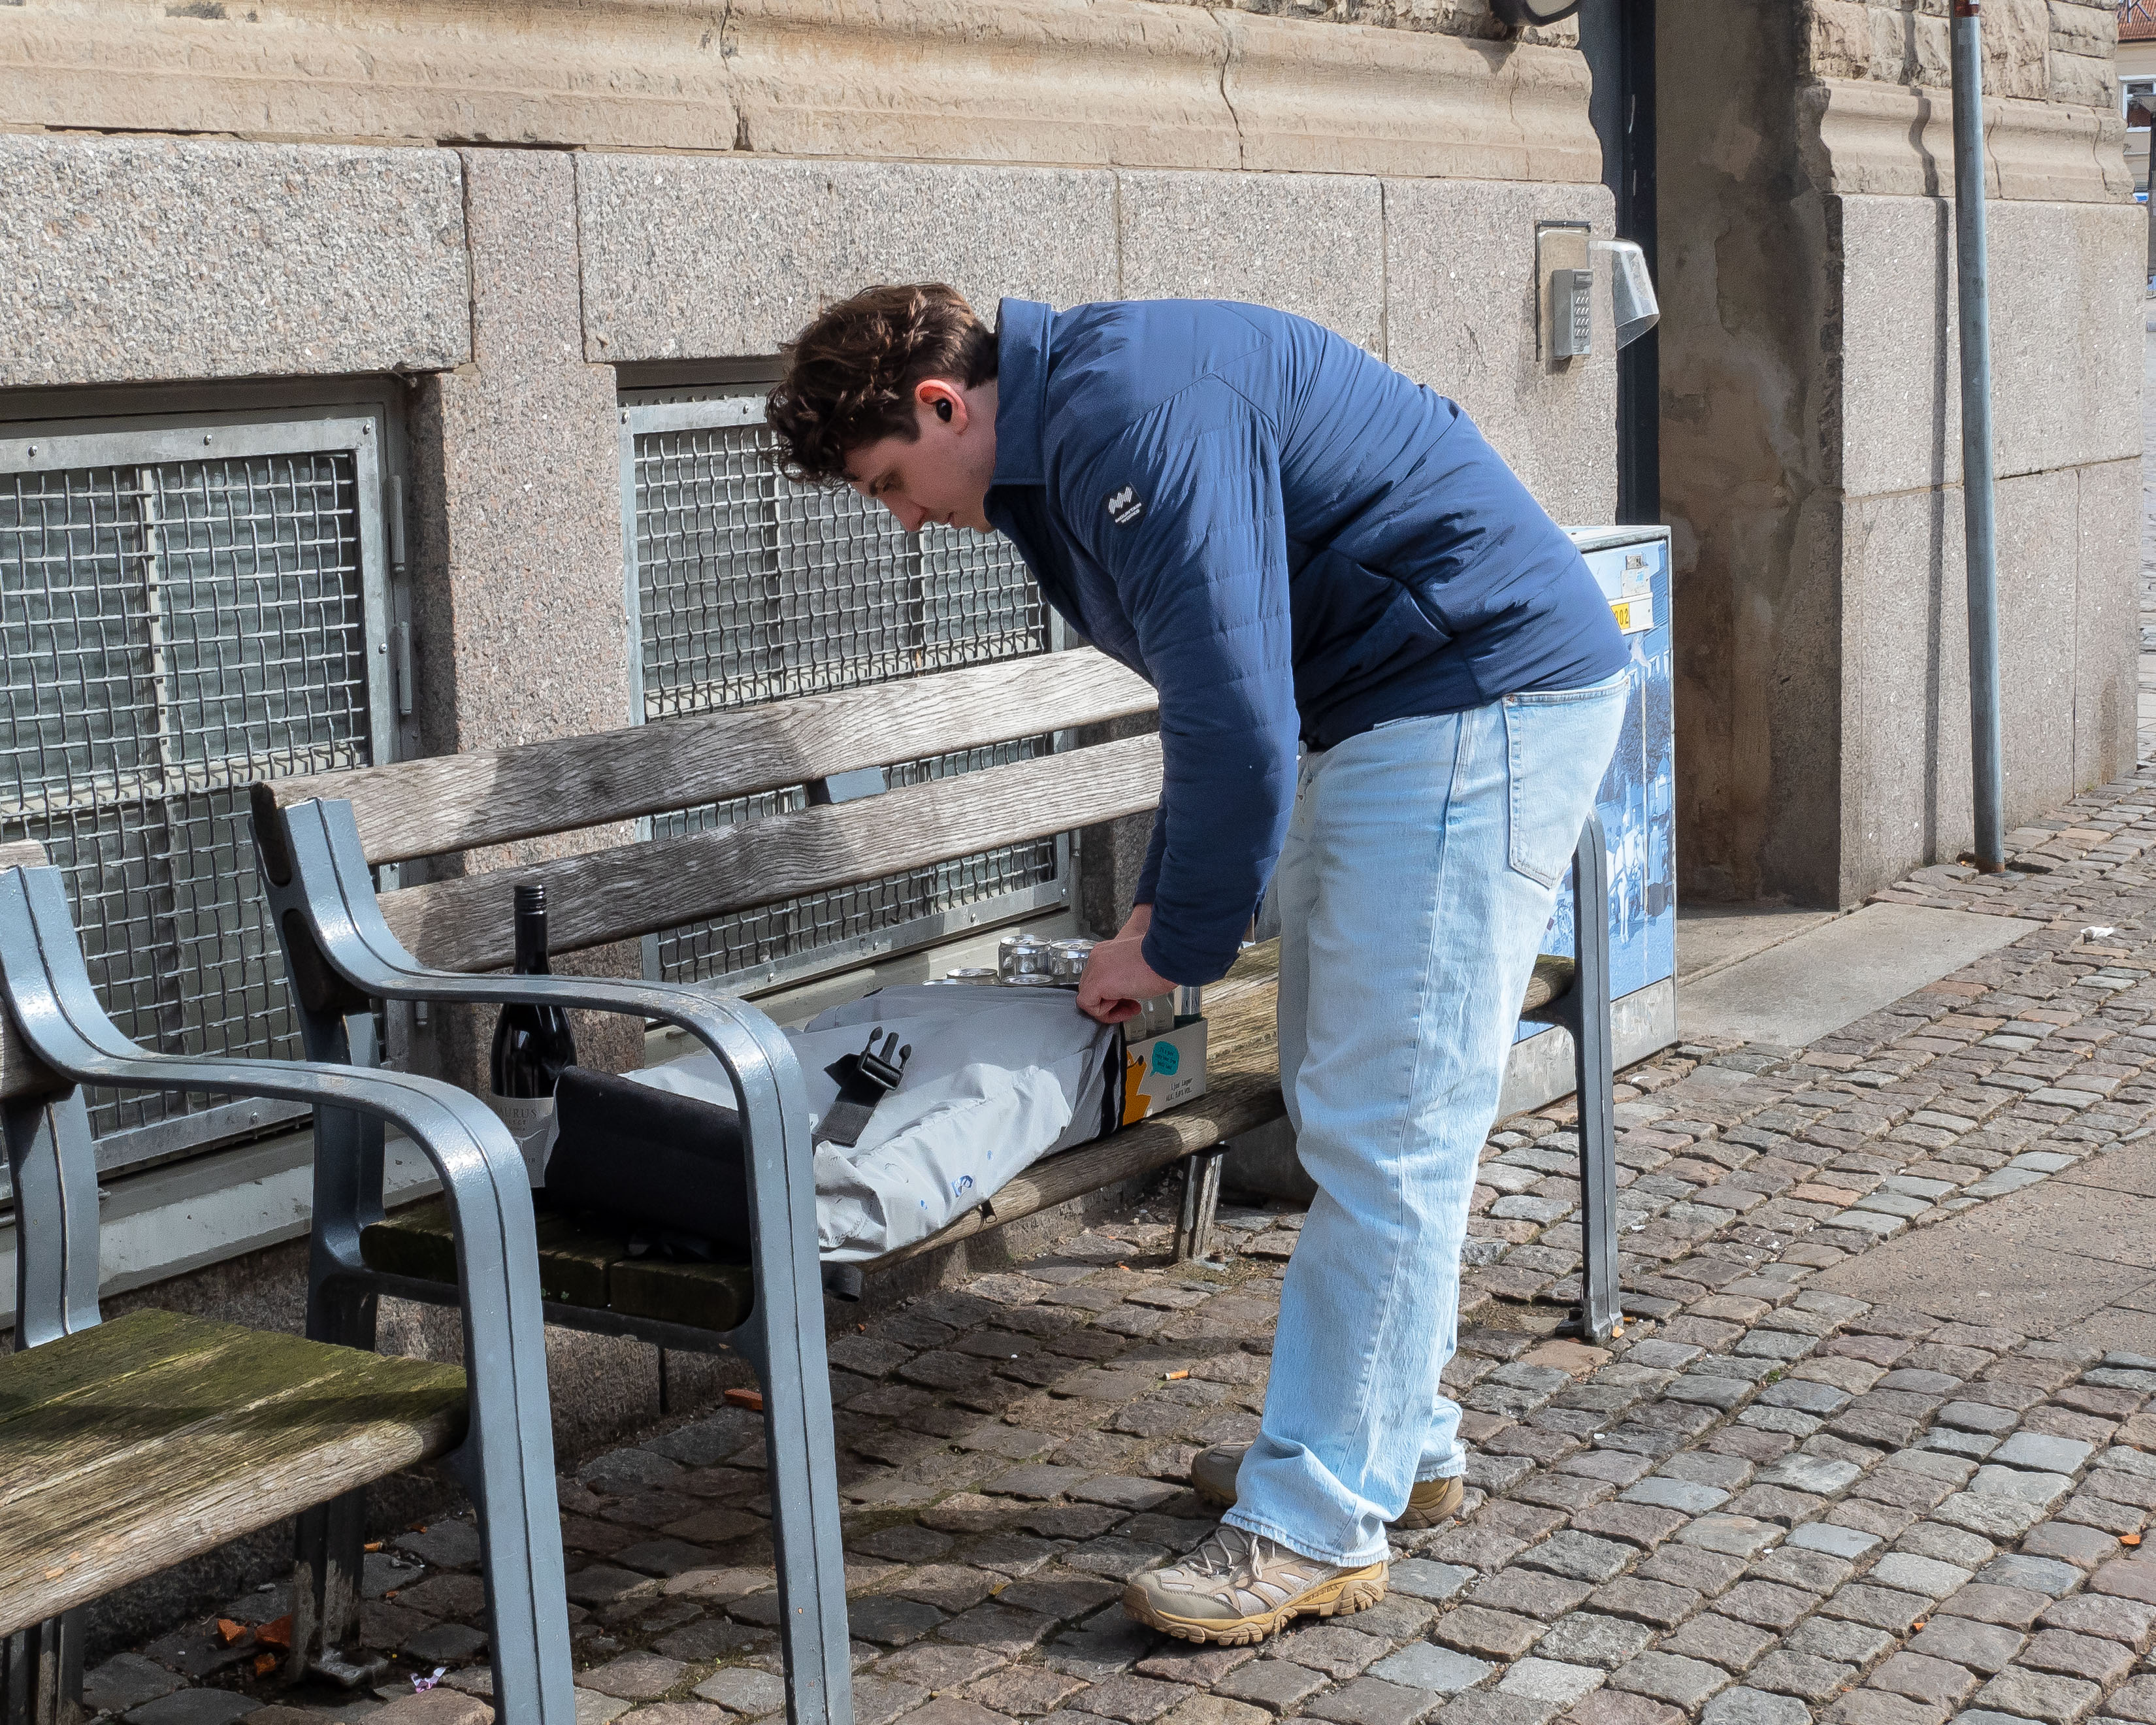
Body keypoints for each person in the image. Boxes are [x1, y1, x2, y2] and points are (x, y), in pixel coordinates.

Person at [767, 284, 1628, 1645]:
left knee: (1388, 1125)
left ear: (942, 405)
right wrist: (1157, 916)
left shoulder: (1128, 421)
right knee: (1356, 1102)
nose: (906, 520)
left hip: (1473, 697)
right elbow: (1216, 691)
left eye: (889, 482)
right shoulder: (1068, 440)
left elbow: (1236, 719)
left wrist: (1173, 945)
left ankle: (1317, 1522)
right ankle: (1392, 1441)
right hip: (1400, 706)